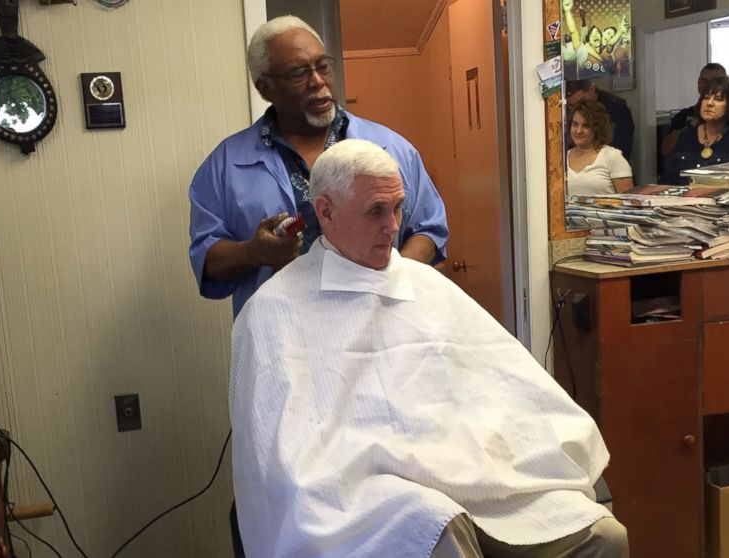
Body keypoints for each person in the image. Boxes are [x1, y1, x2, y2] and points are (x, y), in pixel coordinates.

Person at [230, 138, 629, 558]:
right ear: (326, 212)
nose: (393, 227)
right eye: (375, 211)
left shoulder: (428, 286)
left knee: (603, 536)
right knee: (437, 528)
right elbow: (284, 459)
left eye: (398, 207)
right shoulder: (274, 310)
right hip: (364, 496)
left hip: (472, 475)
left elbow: (504, 391)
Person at [188, 15, 449, 318]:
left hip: (385, 331)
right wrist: (253, 252)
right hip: (286, 336)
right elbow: (207, 259)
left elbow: (430, 229)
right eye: (299, 73)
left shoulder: (392, 149)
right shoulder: (226, 166)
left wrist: (392, 281)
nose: (318, 82)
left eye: (323, 66)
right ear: (265, 88)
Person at [661, 76, 729, 185]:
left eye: (718, 99)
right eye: (706, 98)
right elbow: (668, 178)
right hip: (681, 198)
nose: (709, 103)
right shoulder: (687, 134)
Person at [567, 100, 633, 196]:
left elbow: (629, 203)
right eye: (575, 125)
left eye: (586, 126)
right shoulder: (563, 158)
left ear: (597, 128)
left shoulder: (612, 157)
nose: (578, 131)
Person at [660, 63, 727, 157]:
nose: (707, 85)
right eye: (703, 81)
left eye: (713, 82)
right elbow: (667, 150)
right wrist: (692, 124)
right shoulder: (684, 116)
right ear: (698, 82)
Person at [566, 79, 635, 162]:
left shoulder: (616, 108)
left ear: (592, 89)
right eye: (571, 105)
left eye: (582, 101)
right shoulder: (568, 110)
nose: (578, 108)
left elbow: (622, 146)